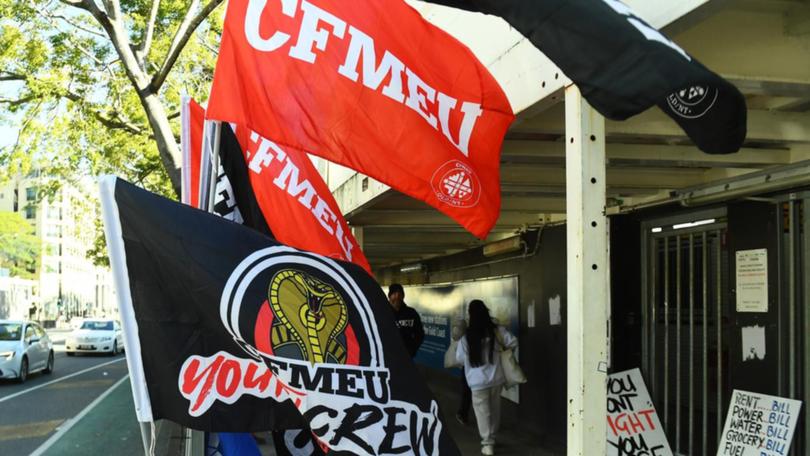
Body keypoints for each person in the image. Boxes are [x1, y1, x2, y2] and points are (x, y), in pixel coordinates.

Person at [455, 299, 517, 456]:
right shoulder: (496, 331)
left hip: (477, 382)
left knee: (483, 412)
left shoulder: (466, 338)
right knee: (495, 410)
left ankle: (487, 443)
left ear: (471, 315)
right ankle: (492, 438)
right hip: (496, 379)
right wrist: (503, 353)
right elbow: (513, 342)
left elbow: (460, 359)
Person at [387, 283, 424, 357]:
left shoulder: (411, 313)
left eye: (400, 294)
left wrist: (412, 350)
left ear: (403, 296)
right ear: (389, 296)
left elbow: (420, 334)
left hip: (406, 356)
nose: (397, 297)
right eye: (394, 294)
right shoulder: (383, 313)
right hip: (387, 356)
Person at [451, 316, 472, 425]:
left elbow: (460, 357)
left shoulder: (465, 337)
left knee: (467, 392)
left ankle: (463, 414)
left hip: (468, 369)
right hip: (483, 371)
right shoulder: (487, 333)